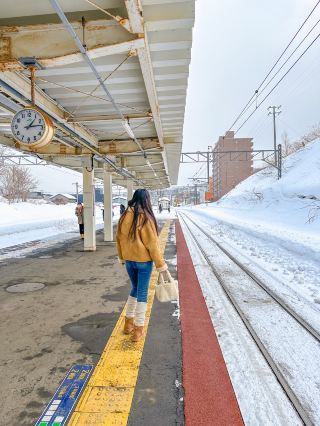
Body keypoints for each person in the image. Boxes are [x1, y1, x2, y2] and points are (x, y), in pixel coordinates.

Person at [116, 189, 167, 342]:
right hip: (143, 262)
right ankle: (138, 329)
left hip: (129, 261)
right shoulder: (145, 217)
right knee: (142, 293)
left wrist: (122, 257)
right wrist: (161, 265)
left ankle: (128, 323)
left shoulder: (124, 215)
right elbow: (152, 244)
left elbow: (118, 238)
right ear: (146, 200)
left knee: (135, 289)